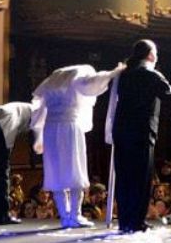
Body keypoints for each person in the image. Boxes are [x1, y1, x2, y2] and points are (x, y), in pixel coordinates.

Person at [30, 63, 121, 228]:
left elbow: (39, 111)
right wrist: (113, 72)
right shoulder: (76, 79)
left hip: (51, 129)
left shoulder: (51, 85)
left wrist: (39, 137)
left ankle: (65, 216)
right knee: (75, 170)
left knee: (57, 173)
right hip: (69, 127)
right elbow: (94, 81)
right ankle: (74, 215)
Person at [110, 39, 171, 234]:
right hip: (141, 132)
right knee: (141, 178)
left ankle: (125, 221)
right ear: (150, 55)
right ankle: (137, 222)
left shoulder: (124, 75)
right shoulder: (151, 74)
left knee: (124, 177)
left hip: (121, 131)